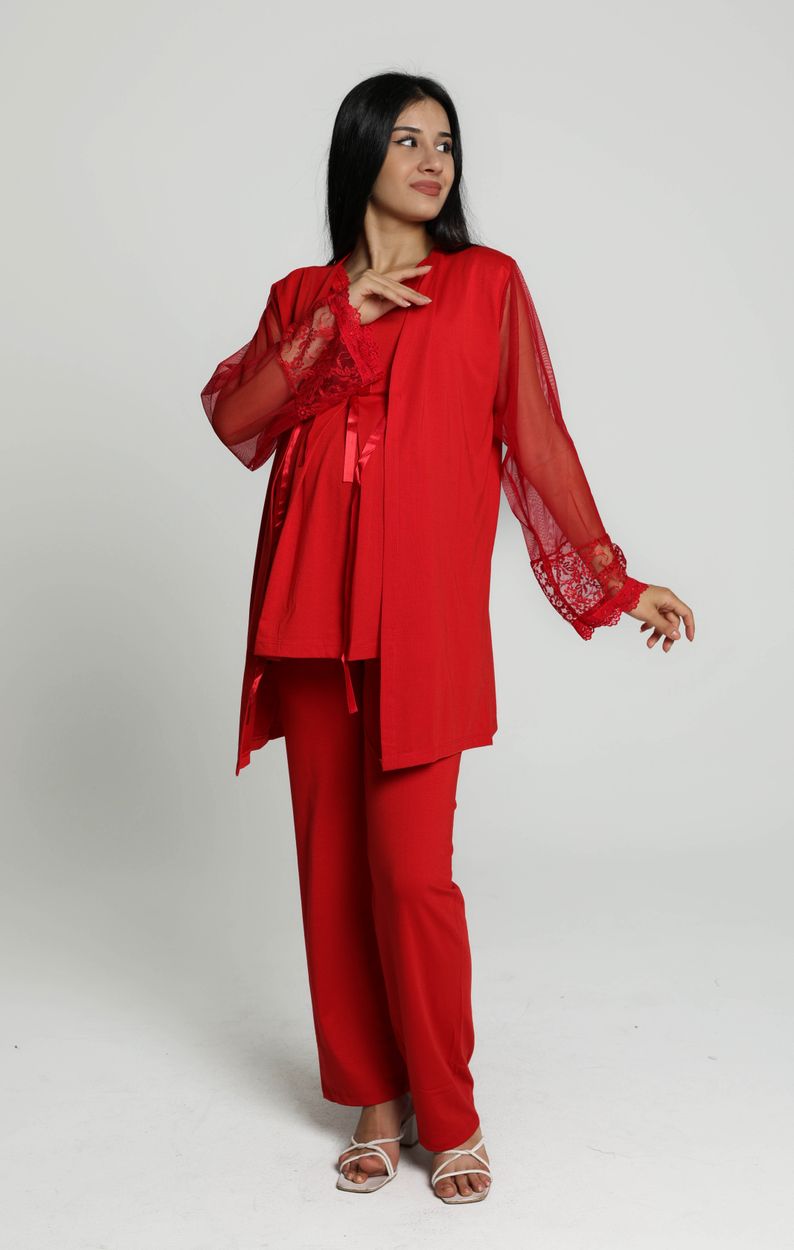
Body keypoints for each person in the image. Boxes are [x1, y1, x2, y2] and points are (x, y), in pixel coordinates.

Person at [199, 72, 695, 1205]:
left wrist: (612, 582)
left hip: (421, 628)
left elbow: (536, 441)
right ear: (361, 153)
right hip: (310, 623)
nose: (433, 161)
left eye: (447, 143)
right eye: (408, 140)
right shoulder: (302, 296)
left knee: (413, 876)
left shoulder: (486, 285)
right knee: (332, 876)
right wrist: (342, 317)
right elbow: (236, 418)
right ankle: (374, 1099)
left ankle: (451, 1112)